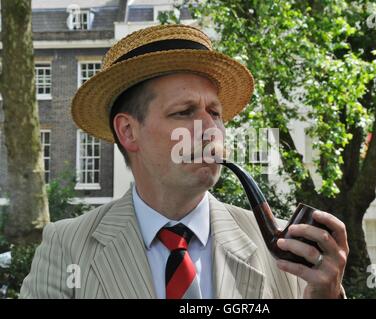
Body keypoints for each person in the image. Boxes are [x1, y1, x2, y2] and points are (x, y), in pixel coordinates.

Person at [20, 24, 348, 299]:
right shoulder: (67, 247)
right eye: (185, 112)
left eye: (215, 113)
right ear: (128, 131)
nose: (210, 130)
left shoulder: (280, 253)